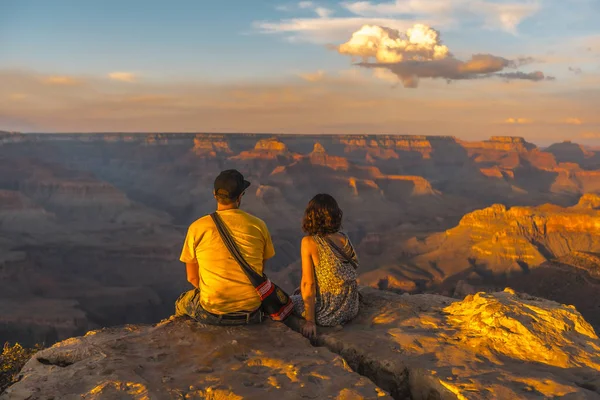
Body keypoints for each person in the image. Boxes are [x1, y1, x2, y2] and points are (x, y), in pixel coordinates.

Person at [175, 169, 275, 325]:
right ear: (241, 195)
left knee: (182, 301)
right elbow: (259, 270)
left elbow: (192, 277)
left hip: (213, 313)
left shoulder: (197, 227)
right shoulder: (258, 225)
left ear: (214, 194)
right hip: (251, 310)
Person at [291, 193, 360, 339]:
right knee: (300, 292)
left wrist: (310, 321)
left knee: (287, 301)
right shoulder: (343, 237)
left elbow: (308, 283)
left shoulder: (309, 242)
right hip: (351, 307)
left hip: (328, 313)